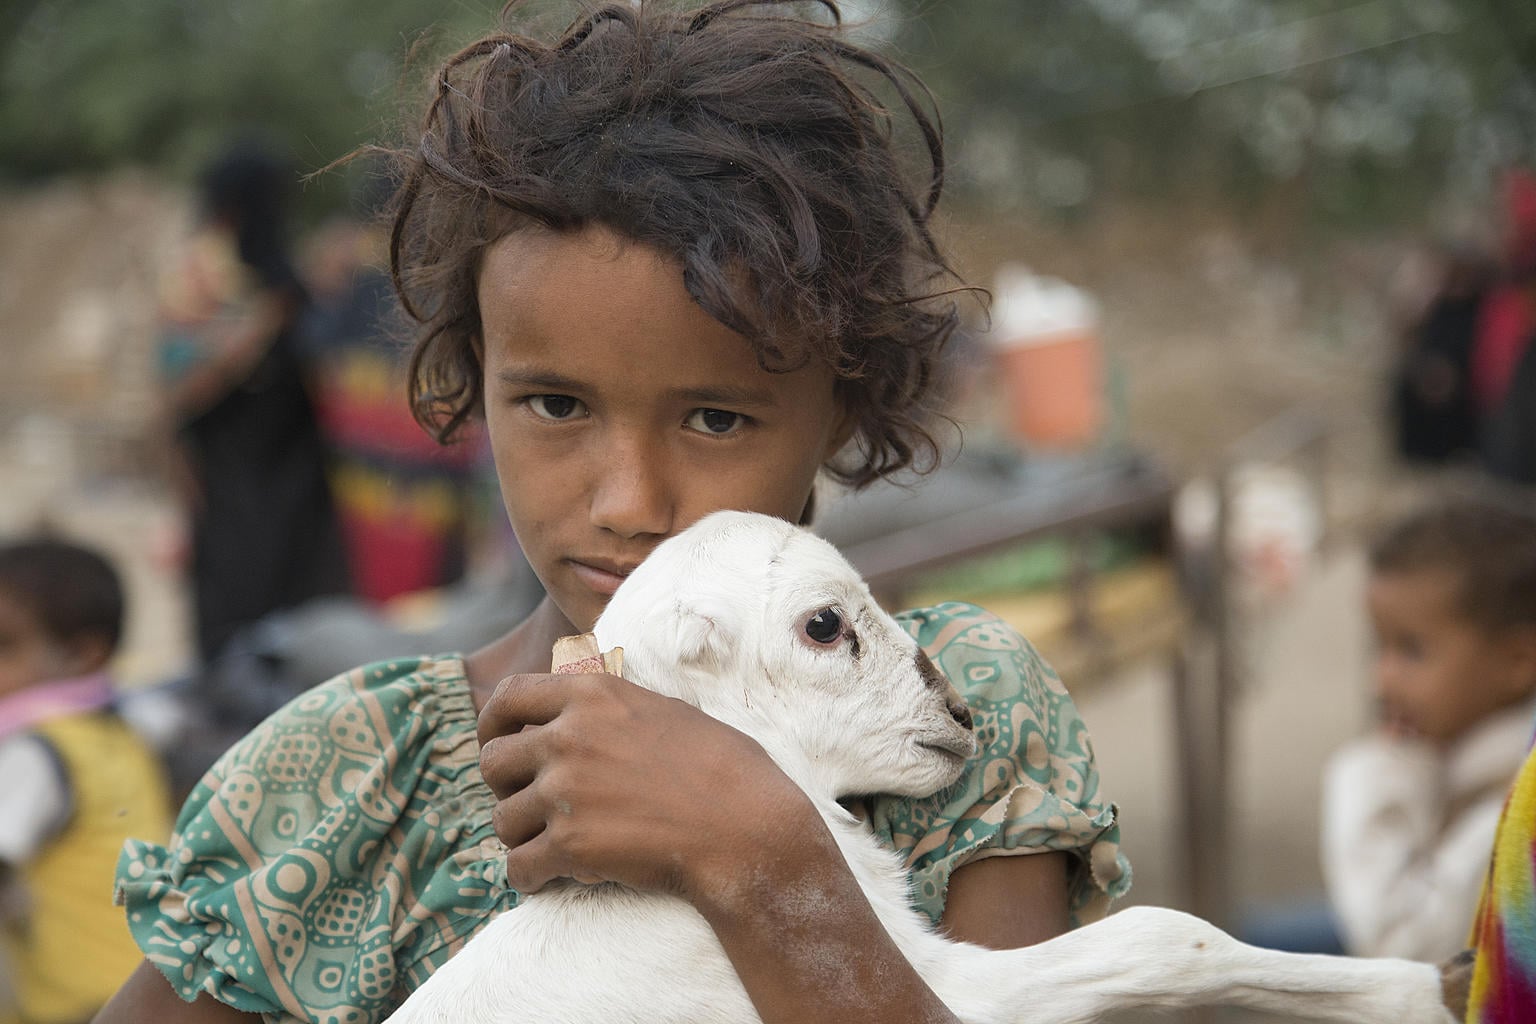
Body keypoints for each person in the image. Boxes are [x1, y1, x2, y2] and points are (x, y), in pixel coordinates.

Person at [98, 4, 1130, 1022]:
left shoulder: (948, 718)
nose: (630, 503)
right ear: (472, 378)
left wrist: (754, 850)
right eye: (556, 404)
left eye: (717, 419)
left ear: (841, 409)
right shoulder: (354, 771)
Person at [154, 138, 350, 662]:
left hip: (295, 481)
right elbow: (178, 394)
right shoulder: (201, 280)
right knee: (233, 628)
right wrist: (262, 322)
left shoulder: (290, 279)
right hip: (230, 485)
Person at [1320, 496, 1536, 963]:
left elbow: (1395, 947)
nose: (1381, 680)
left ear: (1518, 661)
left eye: (1412, 650)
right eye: (1380, 646)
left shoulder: (1513, 811)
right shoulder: (1467, 752)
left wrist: (1374, 774)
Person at [0, 538, 172, 1024]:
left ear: (82, 654)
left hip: (76, 1004)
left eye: (4, 646)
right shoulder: (122, 730)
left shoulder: (35, 752)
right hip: (147, 984)